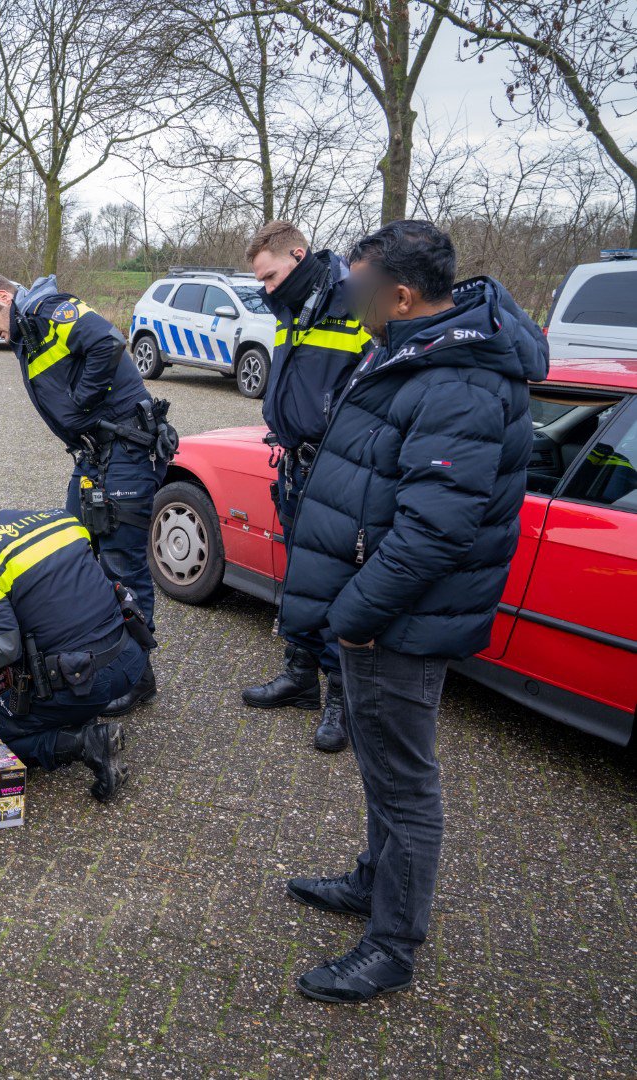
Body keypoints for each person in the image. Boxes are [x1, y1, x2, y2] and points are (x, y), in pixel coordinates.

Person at [279, 221, 546, 1004]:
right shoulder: (417, 347)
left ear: (400, 294)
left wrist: (355, 613)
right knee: (381, 765)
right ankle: (373, 881)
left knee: (405, 782)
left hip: (399, 621)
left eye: (361, 287)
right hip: (379, 616)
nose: (349, 299)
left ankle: (392, 944)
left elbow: (435, 529)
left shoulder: (458, 381)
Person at [0, 272, 171, 717]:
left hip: (126, 453)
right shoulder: (27, 331)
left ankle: (139, 675)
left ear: (3, 297)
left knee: (122, 564)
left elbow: (107, 342)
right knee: (74, 547)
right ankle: (93, 654)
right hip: (94, 458)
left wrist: (81, 402)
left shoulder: (48, 310)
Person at [0, 487, 147, 801]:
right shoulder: (58, 520)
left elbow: (1, 647)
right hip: (131, 658)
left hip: (86, 680)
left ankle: (88, 743)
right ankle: (80, 713)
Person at [241, 222, 374, 753]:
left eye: (271, 275)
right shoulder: (292, 307)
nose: (267, 288)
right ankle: (299, 677)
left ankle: (342, 697)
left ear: (298, 254)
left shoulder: (354, 303)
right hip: (296, 466)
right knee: (299, 575)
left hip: (337, 472)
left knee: (335, 584)